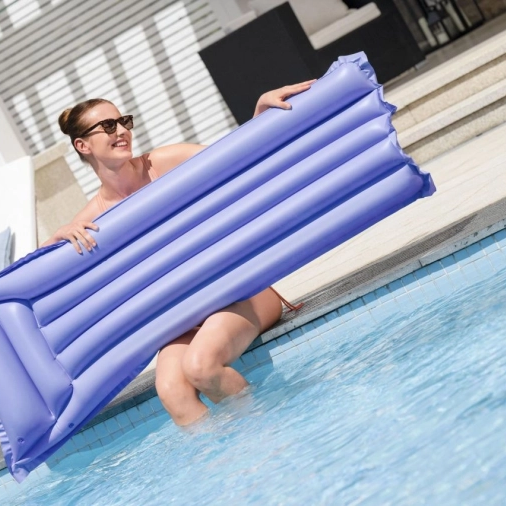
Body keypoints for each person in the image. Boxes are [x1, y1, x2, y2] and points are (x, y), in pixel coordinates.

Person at [41, 81, 315, 425]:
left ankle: (274, 432)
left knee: (202, 367)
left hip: (239, 296)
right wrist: (55, 238)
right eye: (108, 126)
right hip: (183, 318)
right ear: (82, 145)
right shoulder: (92, 219)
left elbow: (236, 154)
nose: (122, 131)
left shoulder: (162, 162)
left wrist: (259, 111)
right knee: (172, 391)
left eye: (124, 121)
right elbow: (38, 276)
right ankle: (234, 455)